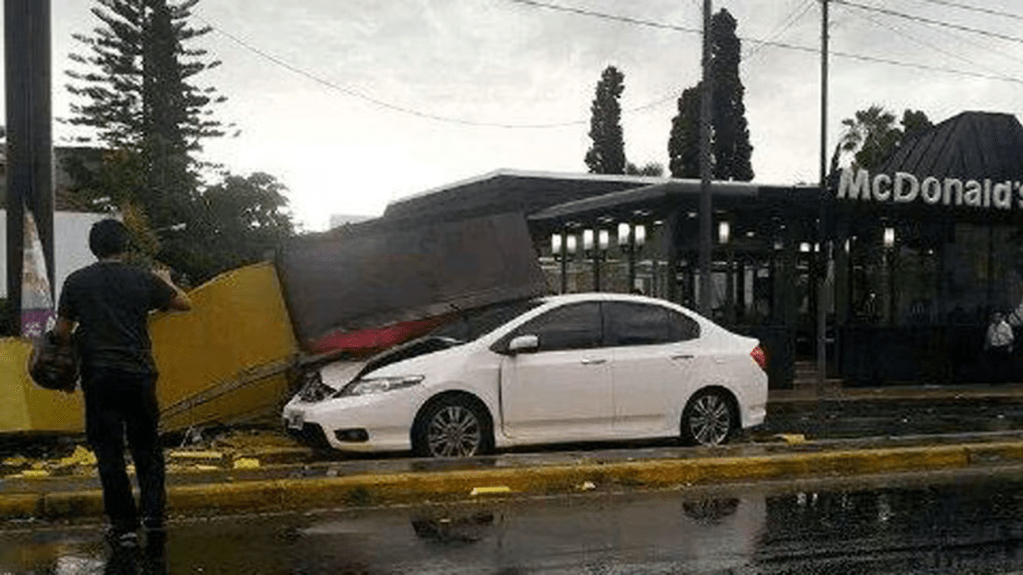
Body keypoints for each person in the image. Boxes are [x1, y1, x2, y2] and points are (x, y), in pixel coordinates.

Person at [54, 219, 192, 549]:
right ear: (125, 246)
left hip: (99, 378)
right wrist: (166, 281)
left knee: (109, 452)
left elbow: (60, 333)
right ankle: (154, 517)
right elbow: (185, 303)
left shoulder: (77, 282)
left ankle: (124, 527)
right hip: (139, 376)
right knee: (147, 447)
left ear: (93, 247)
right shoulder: (142, 279)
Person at [984, 311, 1014, 383]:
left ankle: (1003, 380)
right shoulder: (991, 326)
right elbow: (988, 337)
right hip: (994, 346)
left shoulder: (1006, 326)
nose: (996, 318)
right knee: (994, 364)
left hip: (1003, 346)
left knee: (1003, 364)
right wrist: (987, 345)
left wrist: (1010, 346)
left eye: (997, 317)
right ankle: (995, 380)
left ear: (1001, 318)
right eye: (995, 316)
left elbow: (1011, 337)